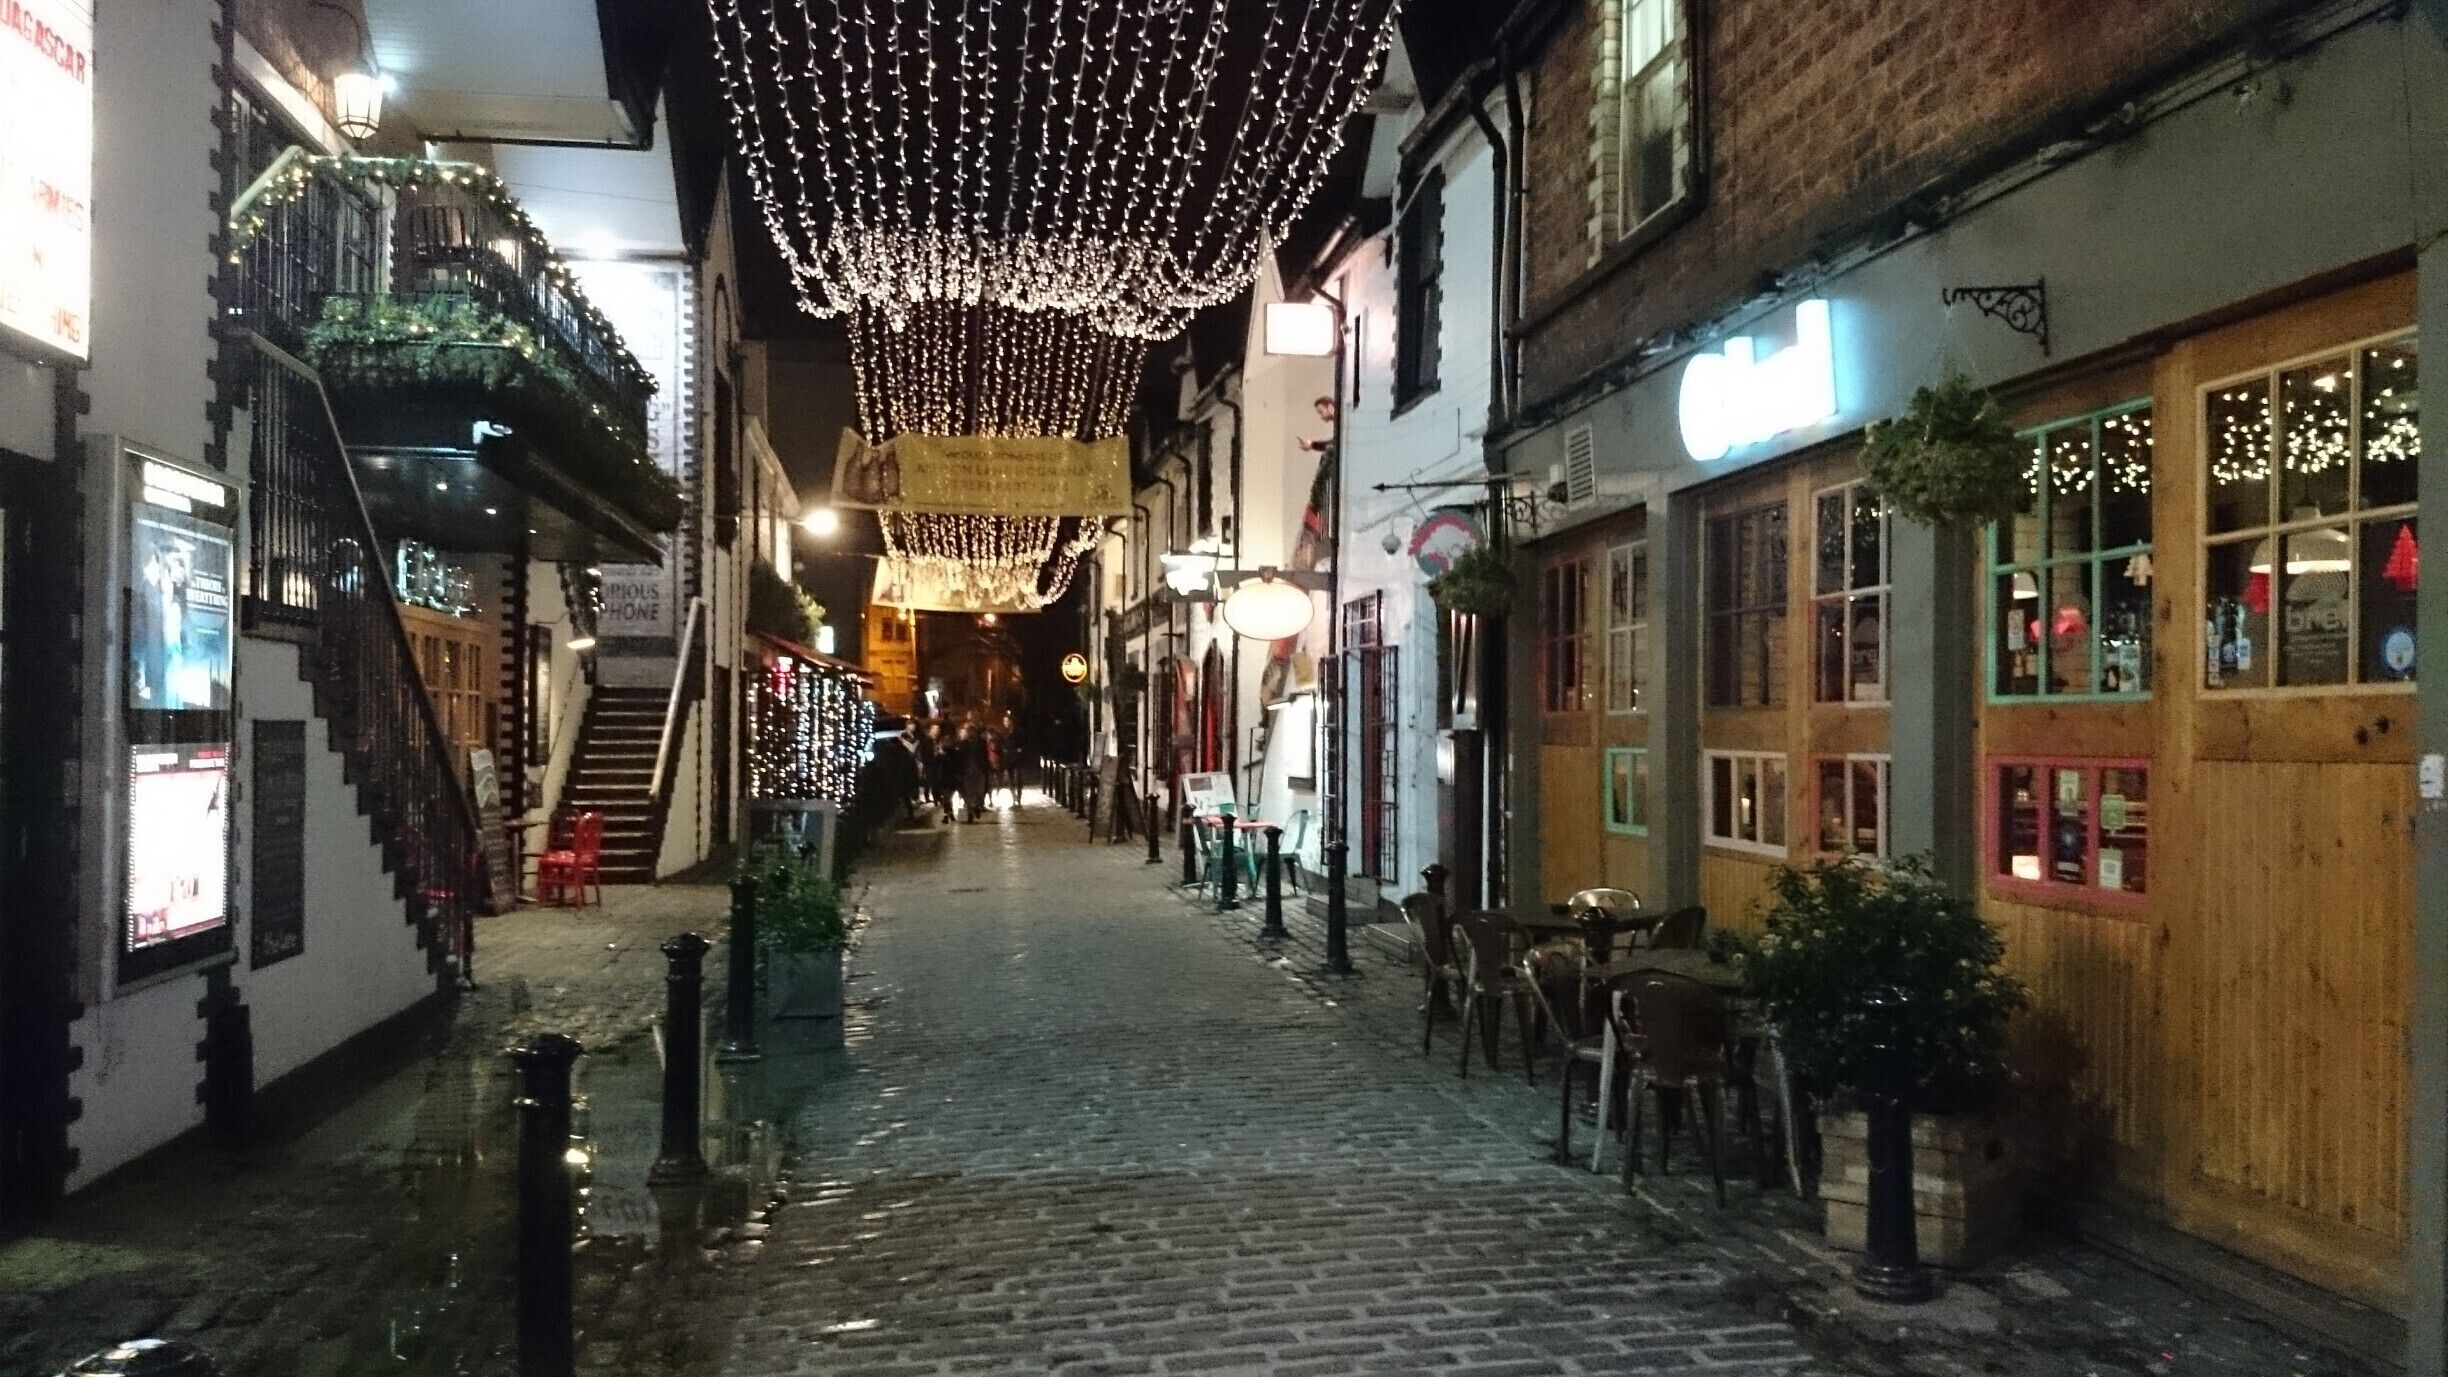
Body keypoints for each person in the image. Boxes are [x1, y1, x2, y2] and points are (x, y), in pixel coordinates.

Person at [956, 724, 989, 823]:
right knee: (968, 793)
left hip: (978, 770)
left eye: (972, 731)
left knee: (979, 791)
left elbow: (985, 756)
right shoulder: (963, 743)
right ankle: (970, 813)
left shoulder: (981, 743)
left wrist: (985, 768)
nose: (970, 733)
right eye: (968, 731)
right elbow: (960, 758)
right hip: (967, 771)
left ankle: (977, 806)